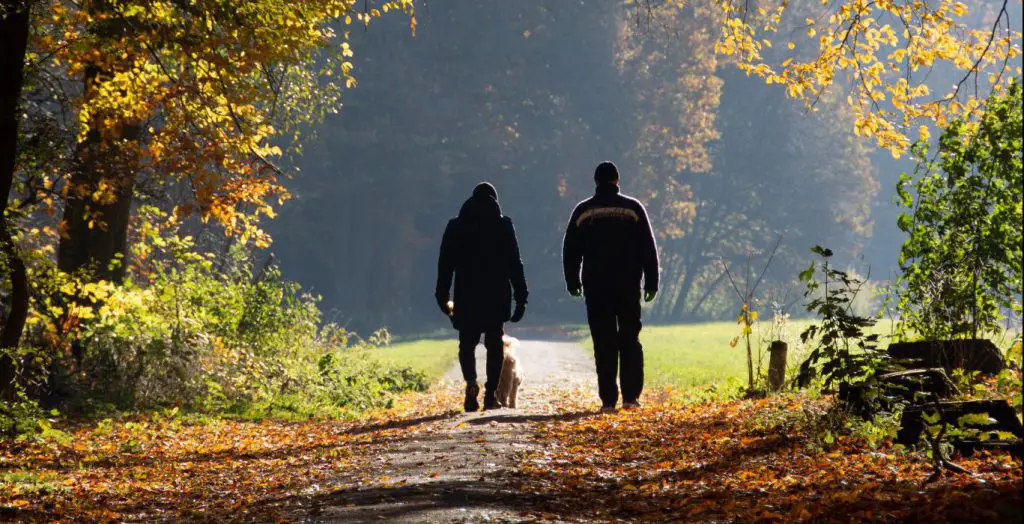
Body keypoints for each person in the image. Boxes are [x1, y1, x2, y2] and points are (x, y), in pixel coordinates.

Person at [562, 161, 659, 412]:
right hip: (628, 283)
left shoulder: (583, 210)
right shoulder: (633, 208)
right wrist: (651, 281)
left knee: (603, 340)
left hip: (596, 285)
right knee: (629, 338)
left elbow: (570, 249)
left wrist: (573, 281)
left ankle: (608, 400)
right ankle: (631, 397)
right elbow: (648, 247)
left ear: (596, 181)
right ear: (617, 180)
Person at [436, 182, 528, 412]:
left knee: (466, 342)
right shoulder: (503, 225)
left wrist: (441, 294)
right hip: (496, 293)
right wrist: (521, 296)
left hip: (467, 293)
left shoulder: (455, 226)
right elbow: (514, 263)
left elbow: (445, 264)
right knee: (494, 343)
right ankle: (490, 394)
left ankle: (470, 384)